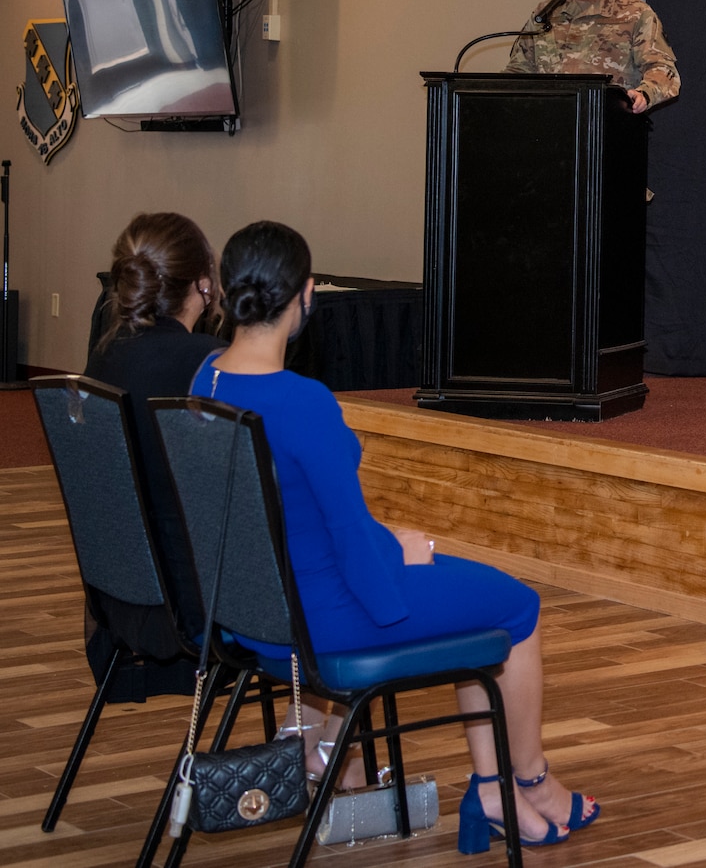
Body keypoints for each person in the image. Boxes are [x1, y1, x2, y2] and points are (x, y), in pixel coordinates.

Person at [196, 221, 598, 847]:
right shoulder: (302, 401)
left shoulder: (205, 383)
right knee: (518, 608)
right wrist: (400, 561)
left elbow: (298, 515)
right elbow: (352, 542)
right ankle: (525, 785)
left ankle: (495, 790)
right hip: (329, 618)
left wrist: (387, 542)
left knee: (456, 590)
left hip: (255, 615)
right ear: (306, 294)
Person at [79, 212, 223, 701]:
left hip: (120, 591)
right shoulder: (210, 364)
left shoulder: (104, 355)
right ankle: (320, 747)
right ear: (204, 284)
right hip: (197, 600)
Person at [506, 0, 680, 113]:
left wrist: (644, 94)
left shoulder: (635, 14)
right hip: (548, 125)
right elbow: (518, 71)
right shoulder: (546, 13)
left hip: (609, 127)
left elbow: (664, 71)